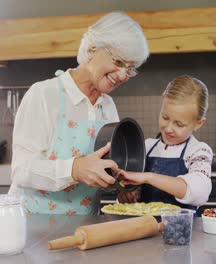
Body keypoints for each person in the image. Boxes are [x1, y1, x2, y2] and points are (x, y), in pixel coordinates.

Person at [8, 12, 149, 215]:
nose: (122, 75)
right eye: (118, 62)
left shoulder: (107, 106)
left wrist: (122, 189)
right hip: (32, 222)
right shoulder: (44, 94)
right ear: (92, 49)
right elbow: (20, 171)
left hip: (84, 227)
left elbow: (106, 171)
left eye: (130, 69)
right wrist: (73, 169)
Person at [117, 75, 213, 210]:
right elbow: (130, 189)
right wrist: (128, 194)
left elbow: (200, 193)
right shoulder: (146, 147)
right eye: (165, 117)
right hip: (143, 228)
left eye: (179, 124)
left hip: (180, 229)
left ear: (198, 123)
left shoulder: (198, 151)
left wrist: (148, 177)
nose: (168, 128)